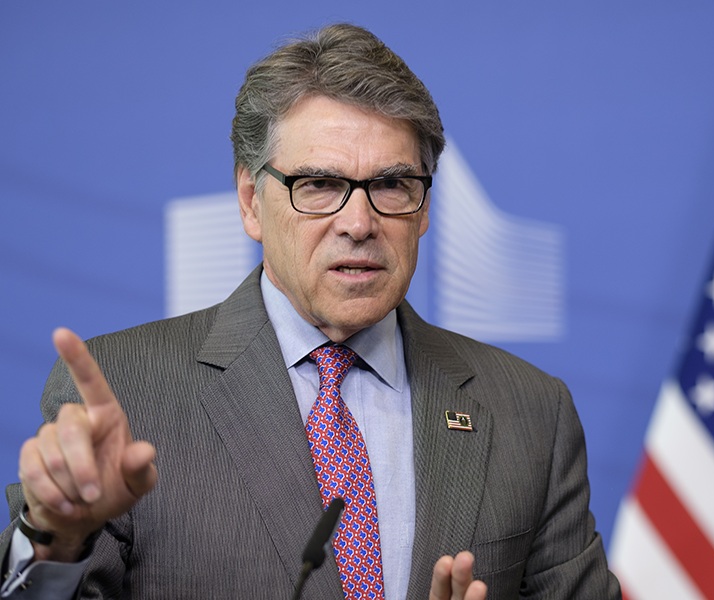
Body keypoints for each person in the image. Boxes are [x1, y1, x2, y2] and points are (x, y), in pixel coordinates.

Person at [1, 24, 621, 600]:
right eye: (319, 184)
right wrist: (56, 539)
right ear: (251, 201)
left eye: (392, 184)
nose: (359, 223)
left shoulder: (531, 412)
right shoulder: (128, 392)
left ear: (425, 207)